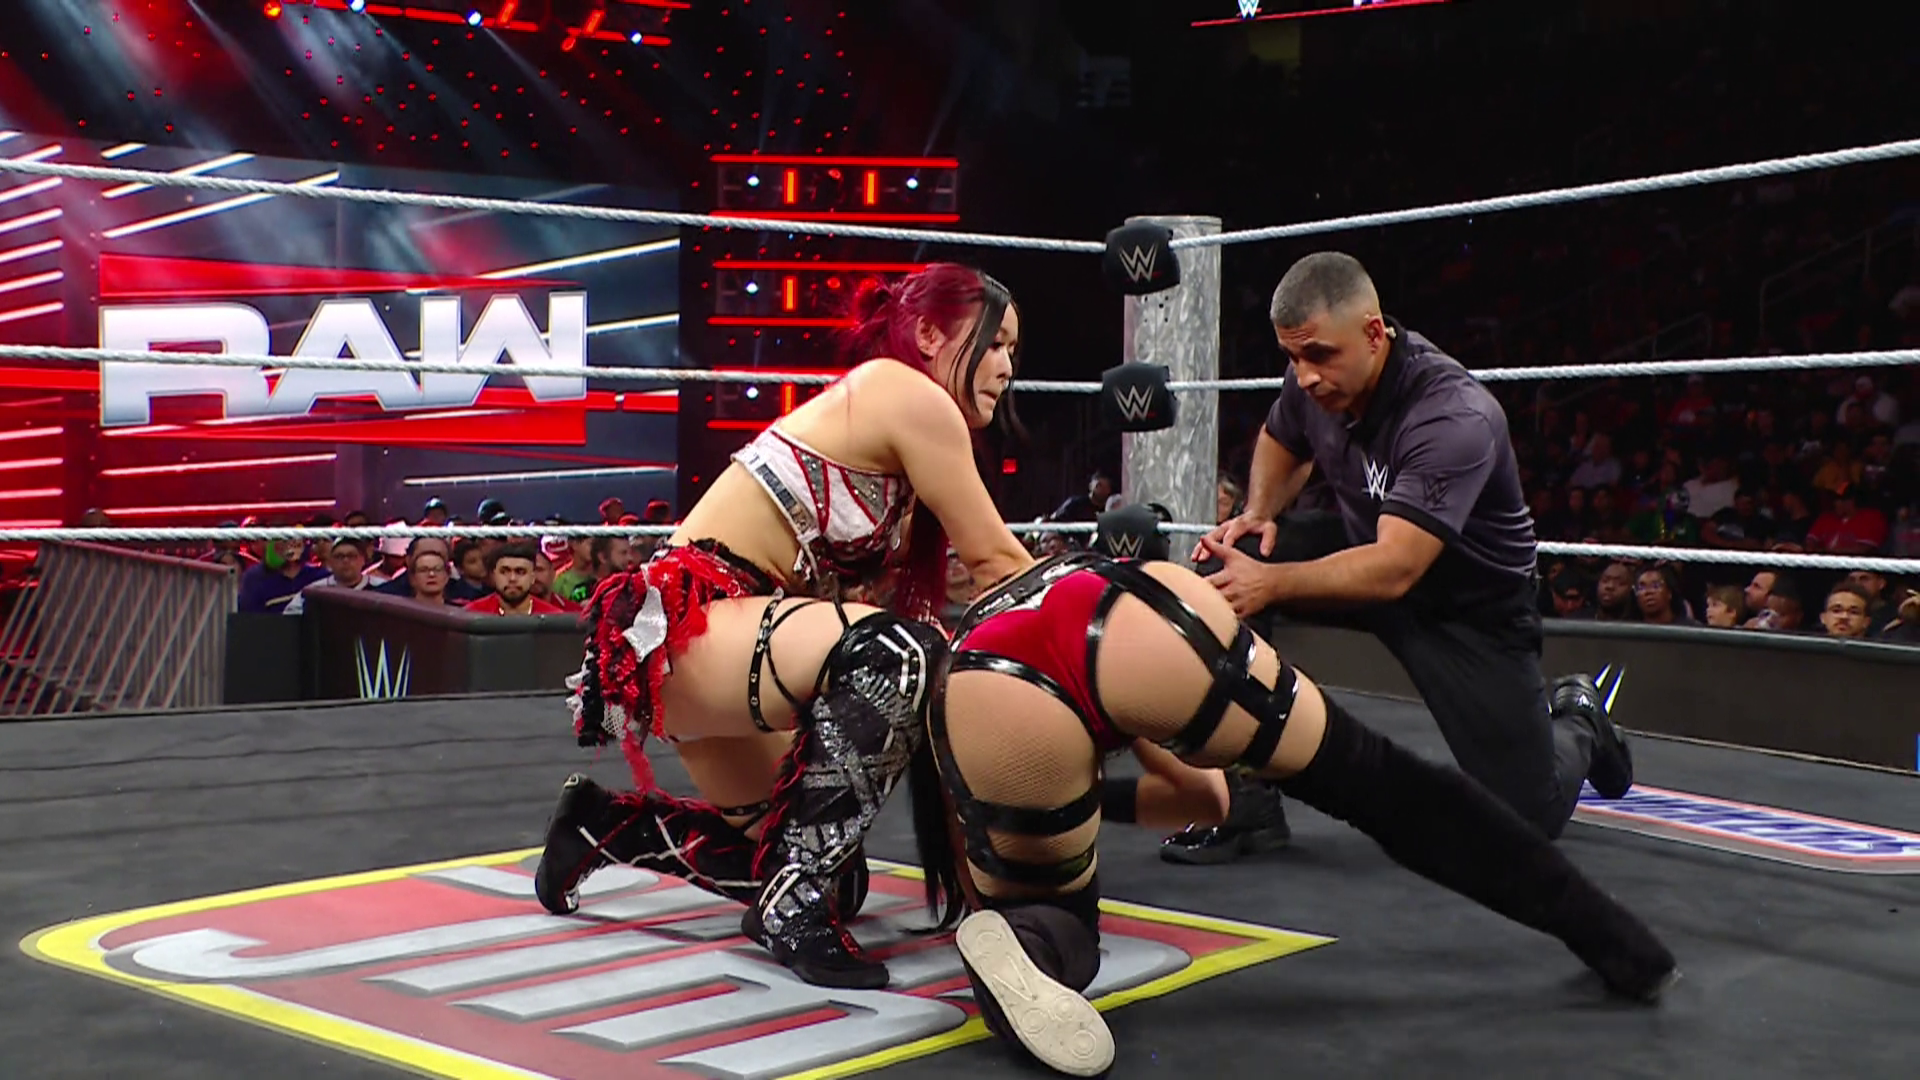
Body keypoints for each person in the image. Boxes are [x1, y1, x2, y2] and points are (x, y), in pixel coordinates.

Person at [910, 549, 1680, 1077]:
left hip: (997, 682)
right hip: (1131, 600)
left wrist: (1077, 803)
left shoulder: (954, 717)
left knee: (1057, 925)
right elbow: (1203, 800)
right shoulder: (1049, 580)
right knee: (1384, 781)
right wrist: (1107, 784)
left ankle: (1026, 944)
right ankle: (1614, 936)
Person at [531, 264, 1041, 991]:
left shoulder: (906, 438)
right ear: (930, 334)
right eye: (994, 343)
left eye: (1014, 351)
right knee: (900, 654)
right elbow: (998, 561)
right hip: (692, 627)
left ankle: (603, 825)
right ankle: (791, 904)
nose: (1006, 366)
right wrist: (1104, 632)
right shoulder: (904, 392)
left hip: (725, 650)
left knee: (821, 870)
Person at [1177, 251, 1632, 860]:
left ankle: (1579, 718)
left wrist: (1273, 582)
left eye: (1319, 356)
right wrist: (1258, 513)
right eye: (1293, 357)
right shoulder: (1313, 379)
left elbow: (1397, 567)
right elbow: (1283, 438)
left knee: (1526, 814)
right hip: (1366, 549)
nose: (1305, 376)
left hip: (1467, 606)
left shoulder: (1451, 416)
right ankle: (1248, 807)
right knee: (1220, 573)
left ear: (1374, 334)